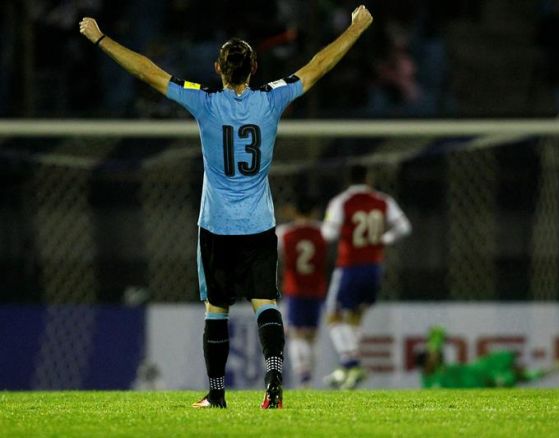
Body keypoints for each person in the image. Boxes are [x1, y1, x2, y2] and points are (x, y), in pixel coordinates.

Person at [79, 6, 373, 409]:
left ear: (218, 68)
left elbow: (148, 71)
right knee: (265, 303)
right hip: (259, 223)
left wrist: (99, 37)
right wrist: (357, 27)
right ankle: (274, 376)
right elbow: (318, 65)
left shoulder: (206, 103)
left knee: (215, 310)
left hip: (216, 224)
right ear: (254, 67)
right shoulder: (272, 99)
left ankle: (216, 394)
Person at [321, 165, 411, 389]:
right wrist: (385, 239)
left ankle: (351, 362)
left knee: (333, 316)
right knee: (355, 317)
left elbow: (328, 233)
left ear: (349, 181)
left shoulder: (341, 202)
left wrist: (336, 225)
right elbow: (404, 227)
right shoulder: (383, 200)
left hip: (349, 267)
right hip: (374, 267)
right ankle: (347, 370)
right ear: (368, 179)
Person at [276, 197, 328, 387]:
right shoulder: (323, 231)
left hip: (294, 290)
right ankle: (308, 378)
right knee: (312, 335)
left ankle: (303, 373)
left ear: (293, 211)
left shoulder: (284, 233)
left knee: (295, 334)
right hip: (316, 289)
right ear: (314, 212)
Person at [416, 326, 559, 388]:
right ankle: (546, 370)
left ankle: (545, 366)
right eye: (430, 357)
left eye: (432, 355)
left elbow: (438, 331)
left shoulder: (438, 368)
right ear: (425, 365)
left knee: (509, 363)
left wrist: (433, 342)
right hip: (481, 383)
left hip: (477, 370)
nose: (434, 357)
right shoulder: (430, 382)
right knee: (511, 377)